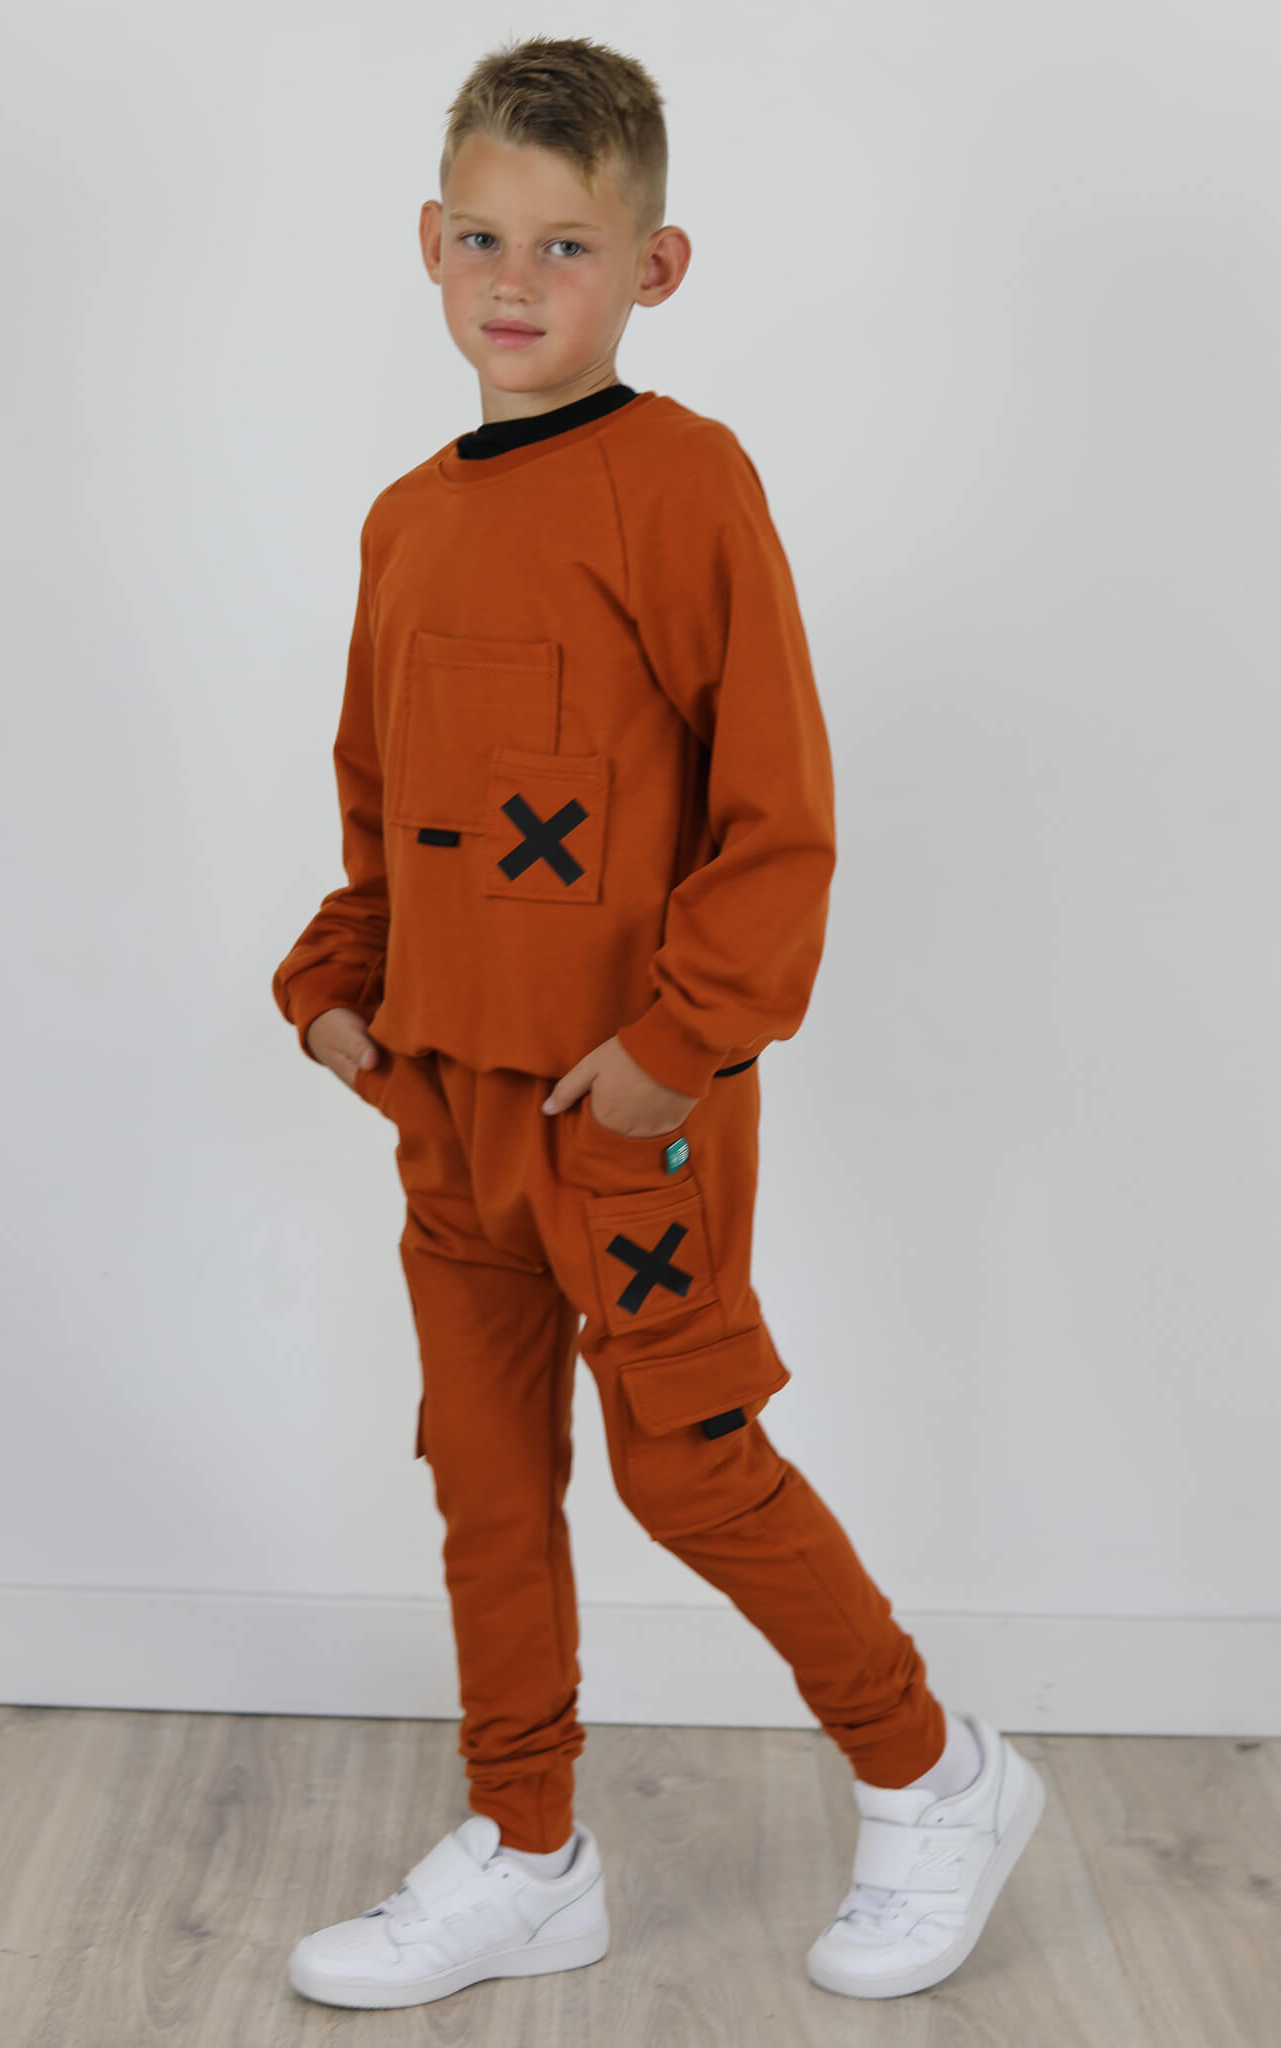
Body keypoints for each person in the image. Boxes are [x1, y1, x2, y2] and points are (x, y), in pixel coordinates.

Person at [274, 33, 1044, 2015]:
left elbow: (775, 812)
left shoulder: (683, 485)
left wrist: (671, 1049)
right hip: (446, 1115)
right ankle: (528, 1851)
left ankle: (933, 1774)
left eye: (566, 244)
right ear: (425, 244)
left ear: (654, 267)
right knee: (481, 1482)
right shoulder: (401, 519)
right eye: (480, 237)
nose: (514, 280)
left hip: (623, 1114)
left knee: (687, 1465)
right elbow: (381, 802)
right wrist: (340, 986)